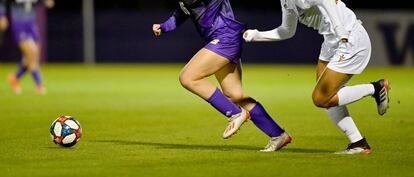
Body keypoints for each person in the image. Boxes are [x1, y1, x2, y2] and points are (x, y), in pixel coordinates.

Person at [243, 0, 390, 154]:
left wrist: (340, 29)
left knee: (321, 98)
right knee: (326, 99)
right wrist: (257, 35)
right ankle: (358, 143)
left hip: (348, 37)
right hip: (331, 41)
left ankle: (376, 88)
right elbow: (287, 30)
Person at [153, 0, 291, 152]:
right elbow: (183, 11)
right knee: (235, 96)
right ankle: (278, 135)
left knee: (188, 77)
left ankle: (235, 114)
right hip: (225, 37)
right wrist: (164, 26)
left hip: (225, 38)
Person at [7, 0, 54, 95]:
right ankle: (39, 85)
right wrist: (1, 15)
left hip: (31, 24)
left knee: (34, 56)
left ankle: (15, 78)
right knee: (31, 53)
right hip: (19, 24)